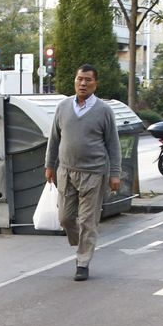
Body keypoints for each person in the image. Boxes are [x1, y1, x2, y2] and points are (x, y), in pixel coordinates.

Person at [45, 64, 121, 281]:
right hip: (66, 172)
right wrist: (49, 165)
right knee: (66, 218)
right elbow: (54, 139)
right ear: (75, 81)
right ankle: (83, 242)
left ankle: (83, 262)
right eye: (80, 79)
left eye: (88, 80)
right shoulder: (63, 106)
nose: (83, 83)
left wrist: (115, 174)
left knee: (88, 220)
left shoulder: (104, 111)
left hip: (94, 174)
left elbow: (113, 145)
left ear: (95, 83)